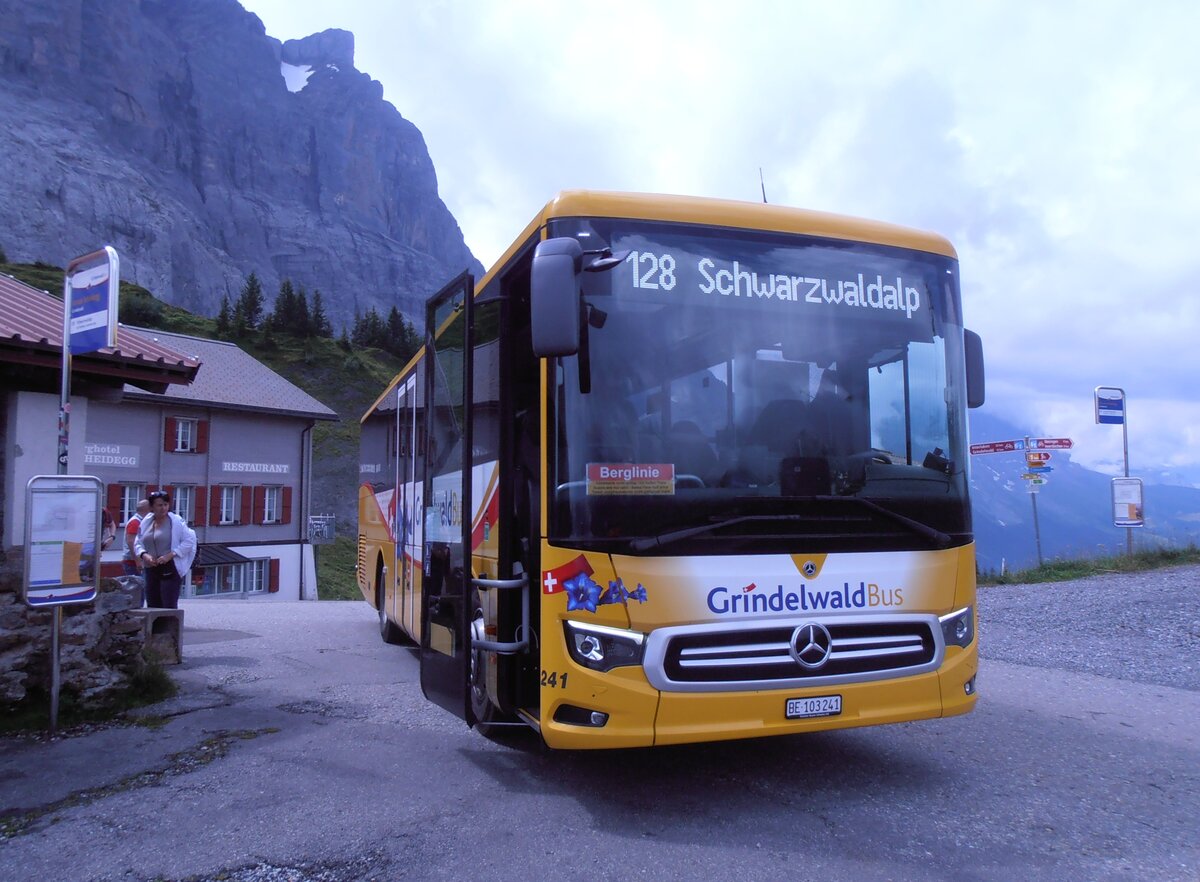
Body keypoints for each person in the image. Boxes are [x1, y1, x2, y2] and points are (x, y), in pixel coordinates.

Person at [134, 490, 197, 609]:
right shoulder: (146, 521)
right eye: (159, 505)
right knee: (152, 603)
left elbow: (189, 541)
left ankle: (170, 627)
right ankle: (155, 627)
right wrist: (144, 555)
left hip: (170, 567)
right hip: (151, 567)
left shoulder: (176, 521)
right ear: (152, 507)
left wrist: (170, 555)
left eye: (165, 505)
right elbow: (138, 542)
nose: (163, 508)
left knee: (168, 604)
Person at [122, 499, 150, 576]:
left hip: (135, 561)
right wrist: (138, 561)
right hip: (133, 563)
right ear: (147, 509)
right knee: (139, 586)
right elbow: (131, 542)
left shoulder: (140, 521)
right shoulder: (135, 522)